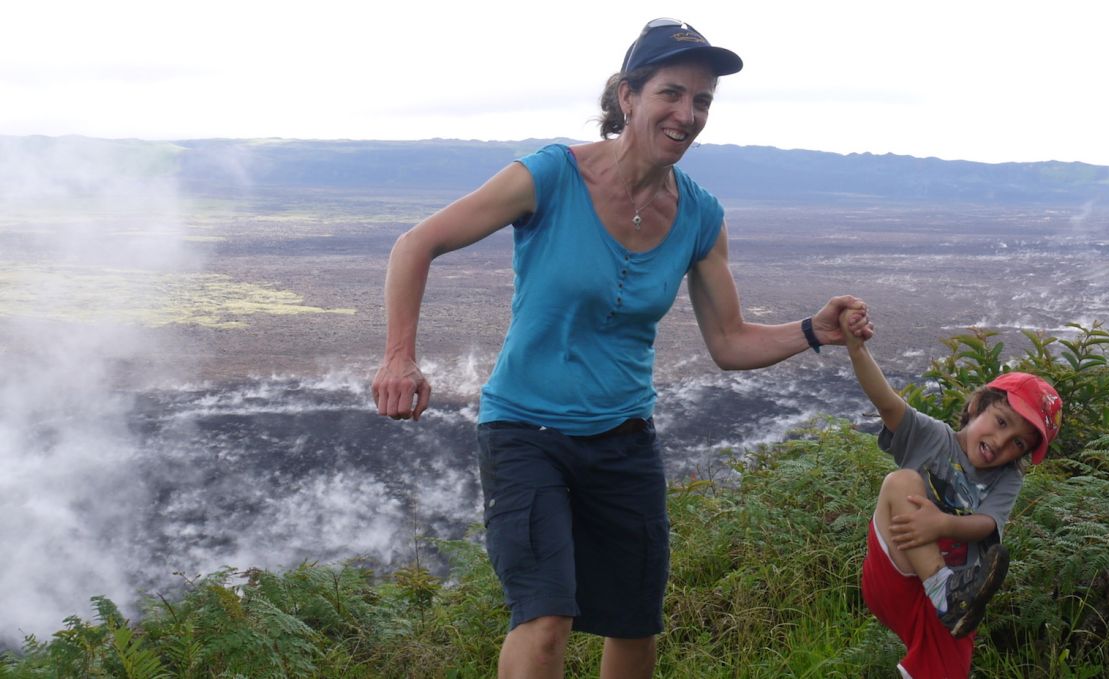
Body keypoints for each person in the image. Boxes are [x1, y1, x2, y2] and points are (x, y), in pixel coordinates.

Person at [372, 18, 865, 679]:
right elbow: (416, 244)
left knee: (635, 629)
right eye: (672, 93)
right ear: (627, 96)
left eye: (702, 102)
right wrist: (399, 356)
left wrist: (813, 330)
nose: (686, 114)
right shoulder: (552, 175)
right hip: (526, 430)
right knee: (545, 620)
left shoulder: (699, 216)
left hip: (624, 440)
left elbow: (729, 341)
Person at [839, 305, 1062, 679]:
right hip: (898, 576)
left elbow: (988, 525)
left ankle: (945, 593)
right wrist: (857, 349)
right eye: (1001, 422)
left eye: (1018, 444)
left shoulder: (1008, 478)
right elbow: (885, 400)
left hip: (956, 603)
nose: (1002, 443)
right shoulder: (931, 437)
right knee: (901, 482)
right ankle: (942, 588)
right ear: (977, 406)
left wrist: (941, 524)